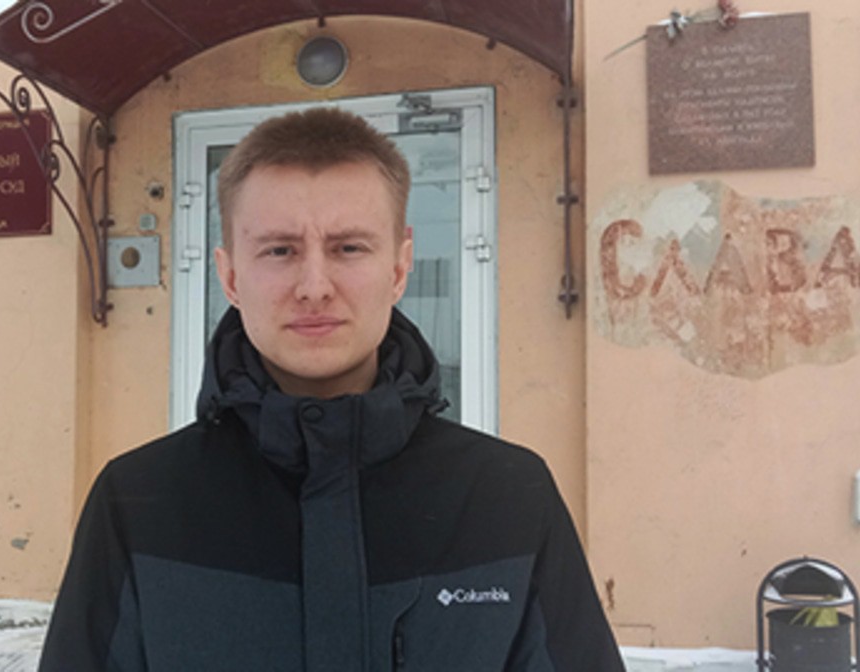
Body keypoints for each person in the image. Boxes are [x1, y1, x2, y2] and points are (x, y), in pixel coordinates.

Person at [39, 107, 625, 671]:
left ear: (399, 268)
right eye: (279, 250)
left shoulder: (507, 498)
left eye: (348, 247)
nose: (314, 286)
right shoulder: (139, 504)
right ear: (230, 275)